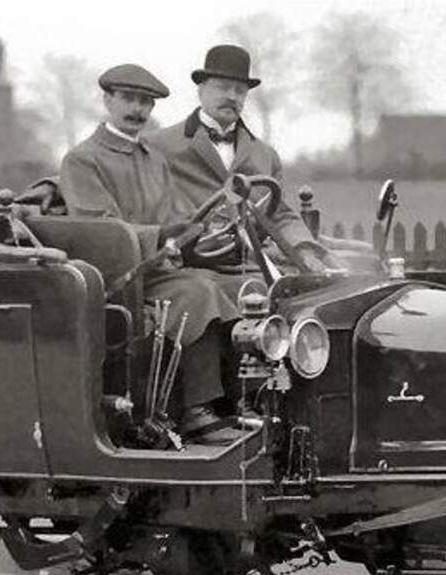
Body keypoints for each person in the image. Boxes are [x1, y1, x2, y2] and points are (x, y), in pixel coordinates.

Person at [59, 63, 240, 438]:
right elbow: (101, 231)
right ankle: (196, 411)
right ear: (107, 100)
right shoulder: (83, 160)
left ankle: (238, 404)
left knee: (233, 286)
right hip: (115, 280)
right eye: (128, 99)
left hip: (155, 270)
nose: (137, 110)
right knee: (199, 292)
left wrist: (203, 232)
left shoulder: (154, 159)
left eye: (146, 102)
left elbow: (176, 217)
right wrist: (161, 235)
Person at [147, 44, 332, 271]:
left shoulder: (266, 155)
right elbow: (148, 211)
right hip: (191, 268)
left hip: (256, 267)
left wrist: (304, 250)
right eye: (223, 88)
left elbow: (280, 215)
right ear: (201, 90)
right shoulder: (159, 146)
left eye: (240, 90)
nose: (232, 97)